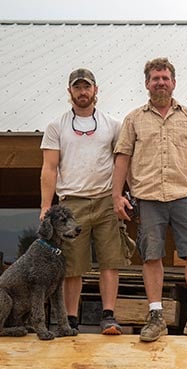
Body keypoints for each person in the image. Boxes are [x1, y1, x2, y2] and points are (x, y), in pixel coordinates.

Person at [112, 58, 187, 342]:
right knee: (151, 254)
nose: (160, 82)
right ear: (147, 84)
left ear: (174, 82)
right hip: (148, 198)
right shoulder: (133, 119)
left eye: (165, 78)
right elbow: (122, 159)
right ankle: (155, 316)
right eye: (155, 78)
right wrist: (117, 195)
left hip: (184, 196)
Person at [40, 68, 126, 335]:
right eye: (77, 87)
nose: (82, 92)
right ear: (70, 92)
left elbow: (123, 163)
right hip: (71, 203)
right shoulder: (57, 127)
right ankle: (71, 320)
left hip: (105, 199)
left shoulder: (113, 125)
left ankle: (109, 316)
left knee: (110, 260)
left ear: (96, 90)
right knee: (72, 264)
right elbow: (49, 168)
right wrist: (46, 206)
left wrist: (121, 195)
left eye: (86, 87)